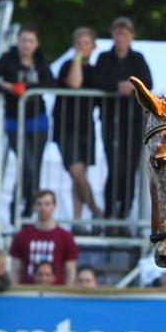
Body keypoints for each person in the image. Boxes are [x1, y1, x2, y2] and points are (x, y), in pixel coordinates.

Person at [0, 24, 54, 215]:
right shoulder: (8, 58)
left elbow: (50, 82)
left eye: (31, 41)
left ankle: (27, 210)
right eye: (23, 40)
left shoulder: (40, 61)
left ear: (37, 43)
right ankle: (17, 207)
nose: (26, 44)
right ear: (18, 41)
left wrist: (28, 87)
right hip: (15, 121)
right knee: (27, 165)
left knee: (35, 169)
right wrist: (7, 88)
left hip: (38, 120)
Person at [95, 16, 152, 227]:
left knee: (130, 167)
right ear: (113, 34)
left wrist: (132, 87)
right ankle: (110, 211)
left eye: (125, 34)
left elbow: (148, 81)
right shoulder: (104, 58)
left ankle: (124, 212)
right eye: (118, 33)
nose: (121, 37)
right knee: (114, 165)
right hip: (111, 119)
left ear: (131, 37)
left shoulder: (137, 59)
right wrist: (116, 86)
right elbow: (97, 79)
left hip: (133, 120)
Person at [53, 27, 102, 222]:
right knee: (76, 172)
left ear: (93, 46)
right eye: (79, 44)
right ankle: (96, 210)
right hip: (65, 124)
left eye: (86, 44)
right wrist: (77, 60)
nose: (82, 48)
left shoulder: (96, 71)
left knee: (80, 175)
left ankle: (77, 218)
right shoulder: (68, 65)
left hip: (85, 125)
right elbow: (74, 83)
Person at [8, 189, 79, 285]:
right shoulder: (21, 236)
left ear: (54, 206)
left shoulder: (66, 237)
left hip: (56, 292)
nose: (43, 208)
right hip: (27, 292)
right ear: (34, 207)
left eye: (47, 204)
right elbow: (15, 270)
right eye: (39, 204)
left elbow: (70, 270)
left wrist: (67, 295)